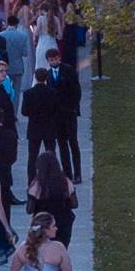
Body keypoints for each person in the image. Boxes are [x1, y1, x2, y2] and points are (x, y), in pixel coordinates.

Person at [46, 47, 83, 182]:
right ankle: (68, 173)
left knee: (73, 142)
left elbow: (76, 90)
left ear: (59, 58)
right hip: (57, 115)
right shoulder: (49, 75)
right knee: (62, 144)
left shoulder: (68, 70)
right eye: (51, 60)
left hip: (69, 112)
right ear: (48, 61)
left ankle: (77, 172)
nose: (54, 61)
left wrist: (73, 107)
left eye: (56, 59)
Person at [27, 150, 77, 246]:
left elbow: (29, 210)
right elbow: (75, 204)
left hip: (44, 224)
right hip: (64, 223)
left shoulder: (38, 185)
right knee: (61, 249)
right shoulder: (65, 182)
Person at [21, 69, 61, 187]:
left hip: (34, 128)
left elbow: (24, 111)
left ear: (35, 77)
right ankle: (54, 178)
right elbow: (56, 110)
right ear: (46, 78)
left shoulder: (28, 93)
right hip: (49, 127)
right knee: (51, 153)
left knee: (32, 155)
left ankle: (31, 181)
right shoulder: (53, 92)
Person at [0, 13, 31, 94]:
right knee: (16, 91)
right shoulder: (23, 36)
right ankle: (15, 106)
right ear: (17, 24)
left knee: (5, 91)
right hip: (18, 66)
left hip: (4, 67)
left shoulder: (0, 35)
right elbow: (25, 53)